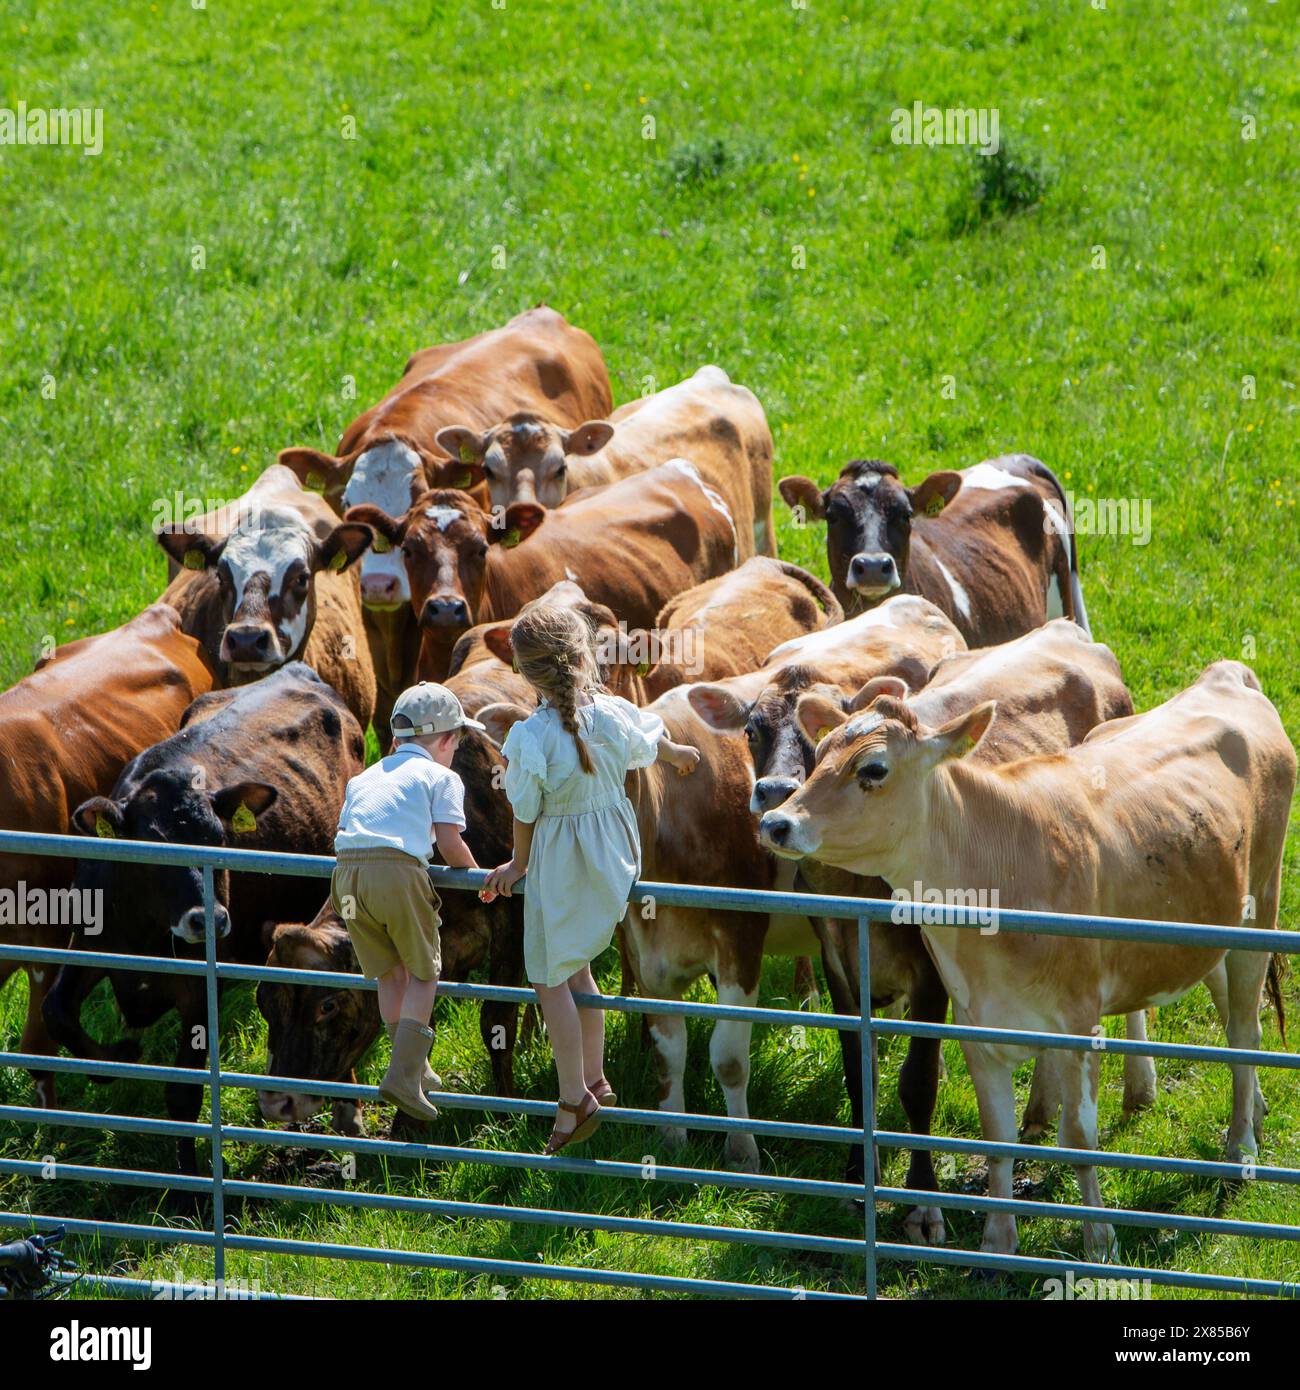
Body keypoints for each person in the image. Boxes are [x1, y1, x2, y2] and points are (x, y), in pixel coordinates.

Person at [480, 605, 699, 1154]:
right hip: (614, 855)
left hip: (562, 859)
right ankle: (597, 1078)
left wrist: (517, 865)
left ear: (524, 674)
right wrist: (679, 754)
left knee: (550, 980)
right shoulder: (614, 714)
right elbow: (652, 741)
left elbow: (525, 810)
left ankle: (574, 1098)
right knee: (579, 974)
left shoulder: (531, 737)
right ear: (584, 658)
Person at [331, 683, 483, 1122]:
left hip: (346, 880)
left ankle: (416, 1067)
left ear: (396, 738)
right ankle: (402, 1077)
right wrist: (478, 882)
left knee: (388, 973)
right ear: (448, 739)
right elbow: (452, 845)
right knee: (424, 972)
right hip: (395, 875)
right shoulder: (442, 777)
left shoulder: (364, 778)